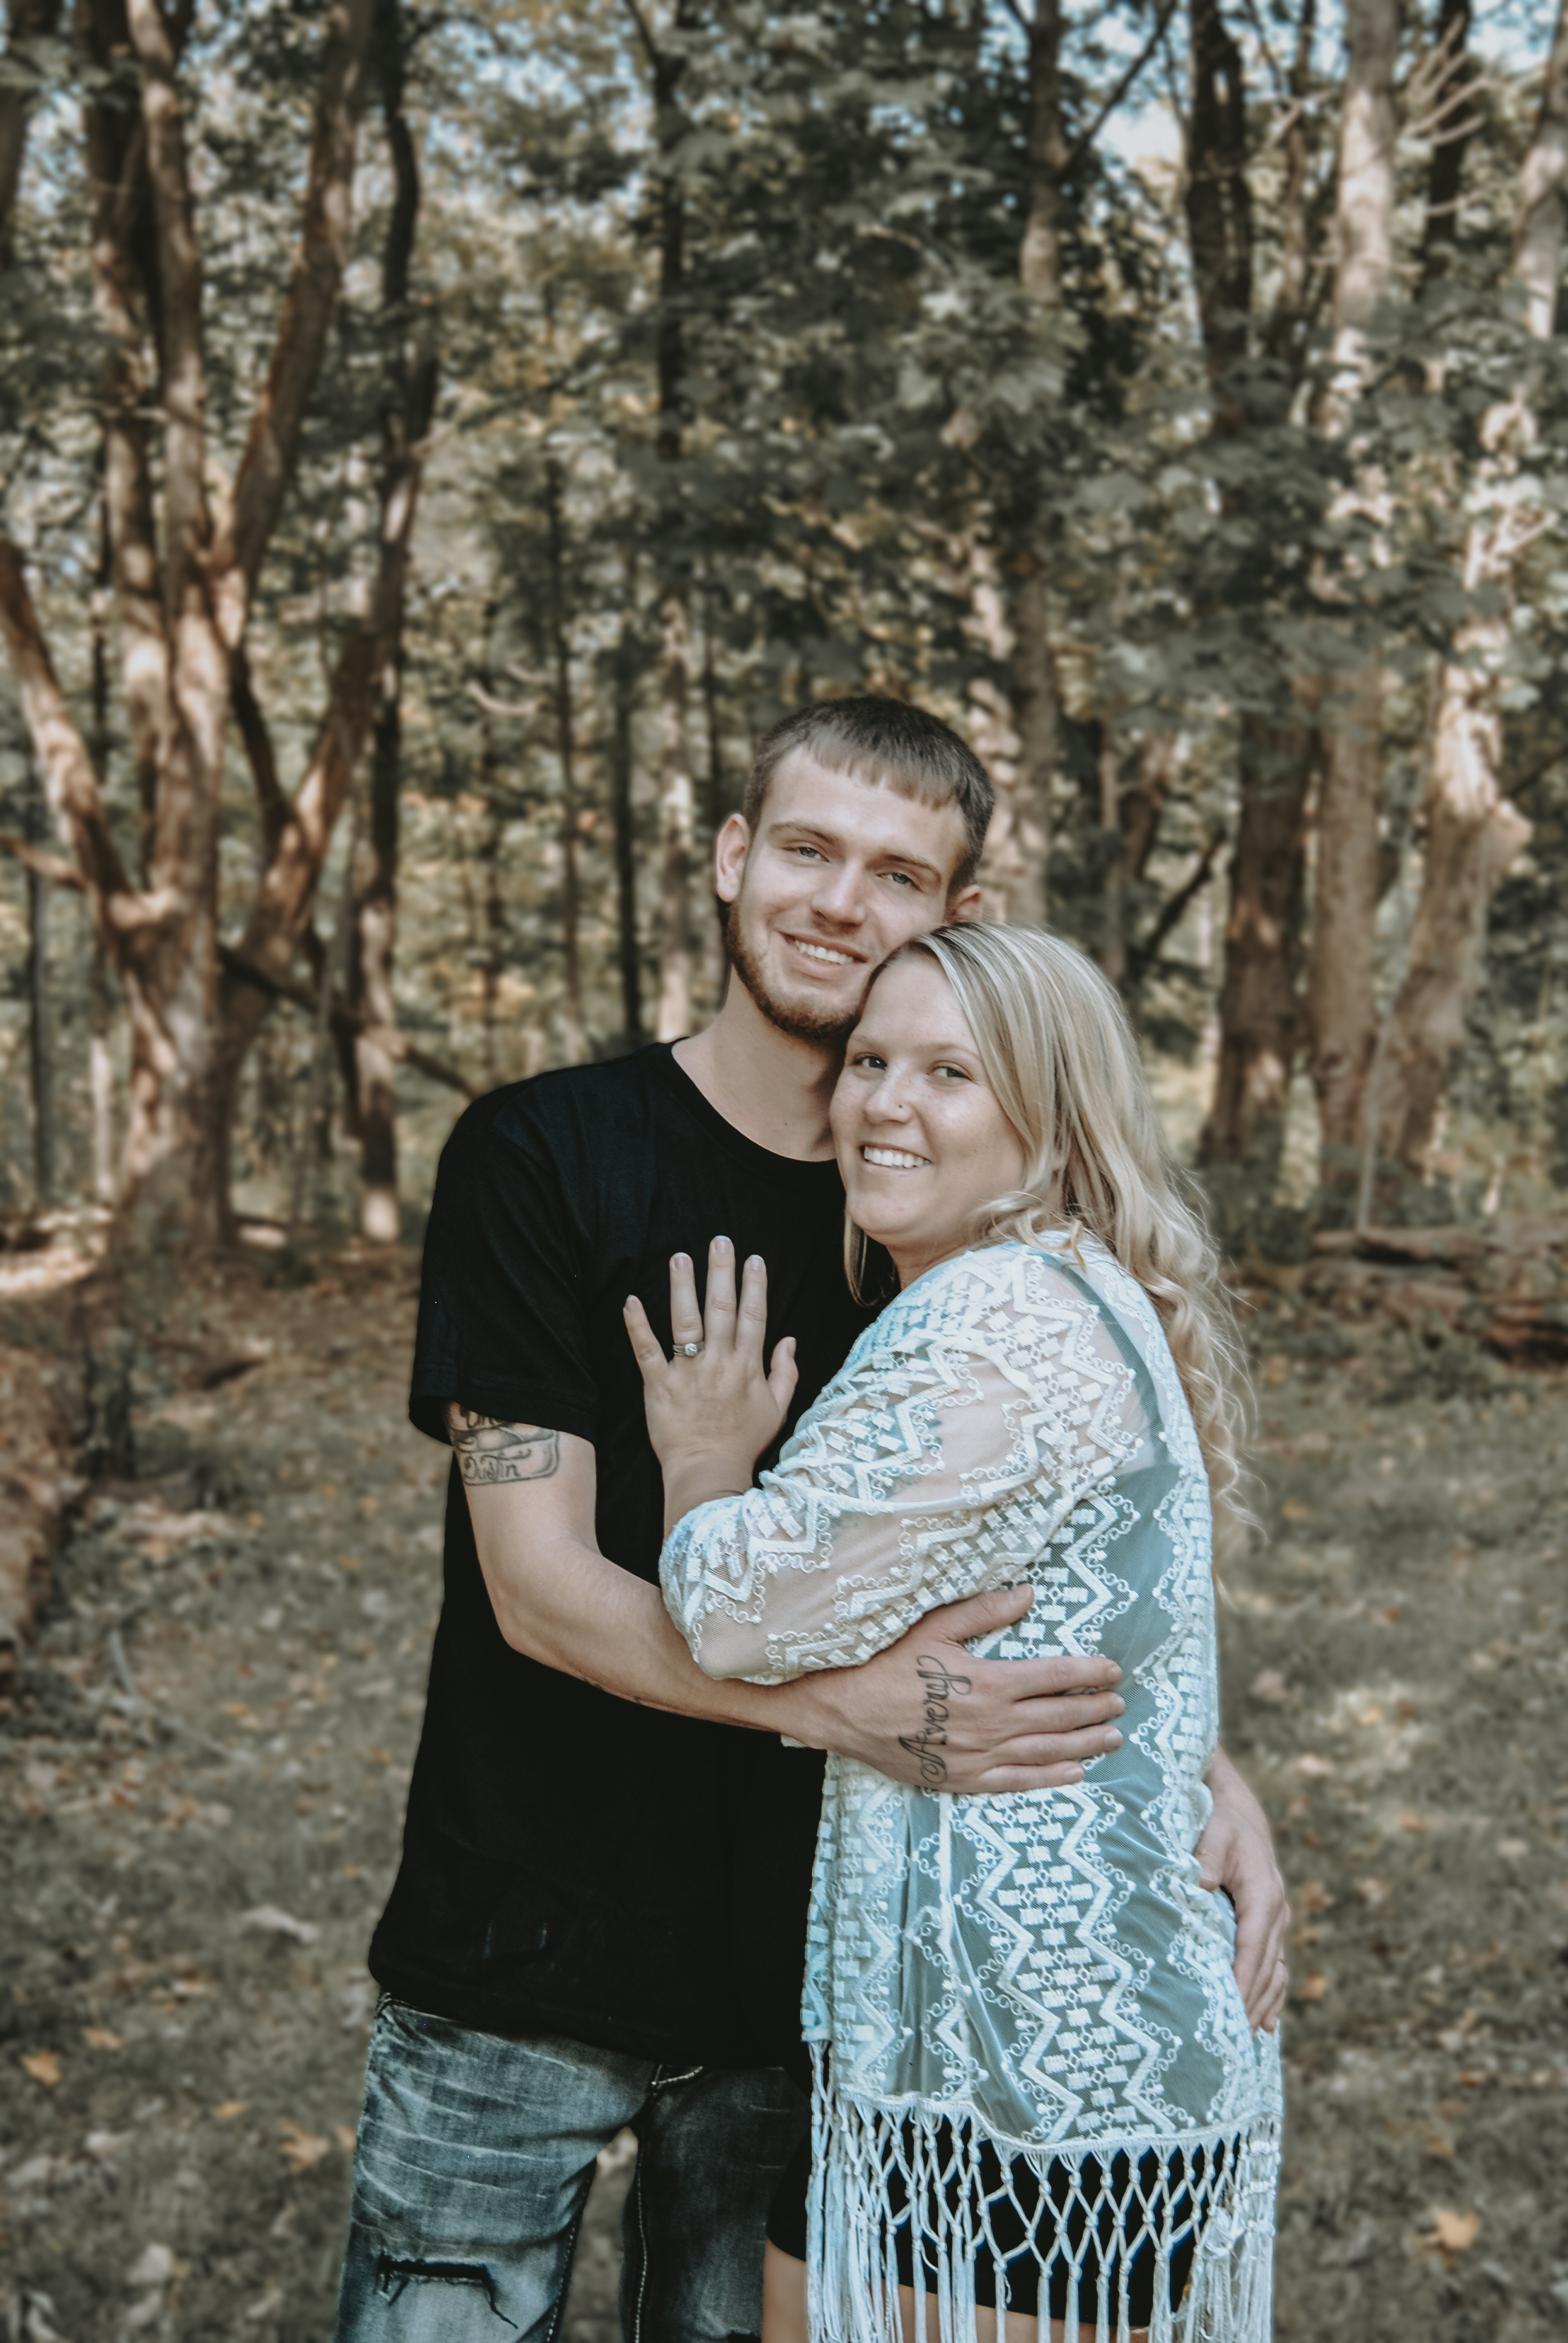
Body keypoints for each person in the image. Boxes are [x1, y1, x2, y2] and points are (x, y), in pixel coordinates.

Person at [334, 699, 1287, 2342]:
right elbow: (545, 1591)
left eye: (897, 872)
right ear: (729, 857)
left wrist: (1200, 1771)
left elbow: (1038, 1534)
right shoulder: (542, 1154)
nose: (841, 902)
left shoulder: (930, 1226)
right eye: (804, 849)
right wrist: (860, 1711)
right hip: (526, 1946)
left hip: (806, 2000)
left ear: (958, 919)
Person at [635, 923, 1282, 2343]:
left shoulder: (988, 1328)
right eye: (870, 1060)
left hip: (1015, 2082)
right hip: (1020, 2049)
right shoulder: (1072, 1292)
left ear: (1047, 1120)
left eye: (949, 1073)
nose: (884, 1102)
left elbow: (741, 1610)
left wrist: (701, 1454)